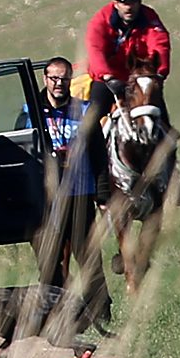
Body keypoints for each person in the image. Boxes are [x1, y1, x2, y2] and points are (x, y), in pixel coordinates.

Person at [21, 57, 112, 322]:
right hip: (46, 198)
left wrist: (102, 195)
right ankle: (54, 310)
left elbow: (99, 155)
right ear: (45, 79)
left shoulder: (84, 111)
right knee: (49, 259)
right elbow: (22, 154)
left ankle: (100, 309)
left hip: (80, 194)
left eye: (64, 79)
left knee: (88, 256)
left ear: (71, 80)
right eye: (54, 78)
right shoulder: (30, 113)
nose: (59, 83)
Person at [85, 0, 173, 126]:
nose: (128, 7)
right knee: (90, 122)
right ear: (115, 3)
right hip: (108, 80)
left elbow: (160, 43)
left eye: (133, 2)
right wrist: (107, 76)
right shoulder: (101, 20)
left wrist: (160, 72)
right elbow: (95, 49)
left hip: (139, 78)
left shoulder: (149, 17)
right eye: (123, 2)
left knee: (163, 126)